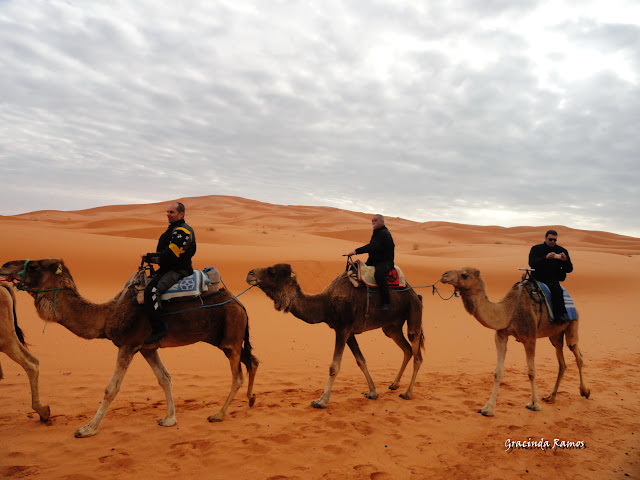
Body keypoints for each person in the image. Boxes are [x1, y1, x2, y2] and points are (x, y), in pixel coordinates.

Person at [140, 202, 196, 344]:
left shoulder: (183, 231)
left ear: (181, 214)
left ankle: (159, 330)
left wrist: (150, 256)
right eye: (167, 212)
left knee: (151, 291)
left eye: (171, 212)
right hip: (167, 268)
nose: (168, 214)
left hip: (177, 270)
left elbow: (171, 255)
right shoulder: (174, 229)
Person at [346, 214, 395, 310]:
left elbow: (372, 247)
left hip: (385, 262)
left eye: (375, 220)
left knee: (379, 275)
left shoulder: (384, 234)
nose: (373, 223)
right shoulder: (377, 233)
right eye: (372, 221)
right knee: (355, 267)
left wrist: (356, 251)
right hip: (373, 261)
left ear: (382, 222)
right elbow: (373, 248)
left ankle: (386, 302)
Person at [528, 229, 573, 321]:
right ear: (545, 238)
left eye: (555, 240)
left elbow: (569, 269)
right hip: (537, 277)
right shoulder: (536, 249)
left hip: (552, 279)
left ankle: (558, 316)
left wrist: (565, 260)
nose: (553, 241)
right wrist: (545, 258)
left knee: (557, 290)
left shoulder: (561, 251)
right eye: (550, 239)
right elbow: (532, 263)